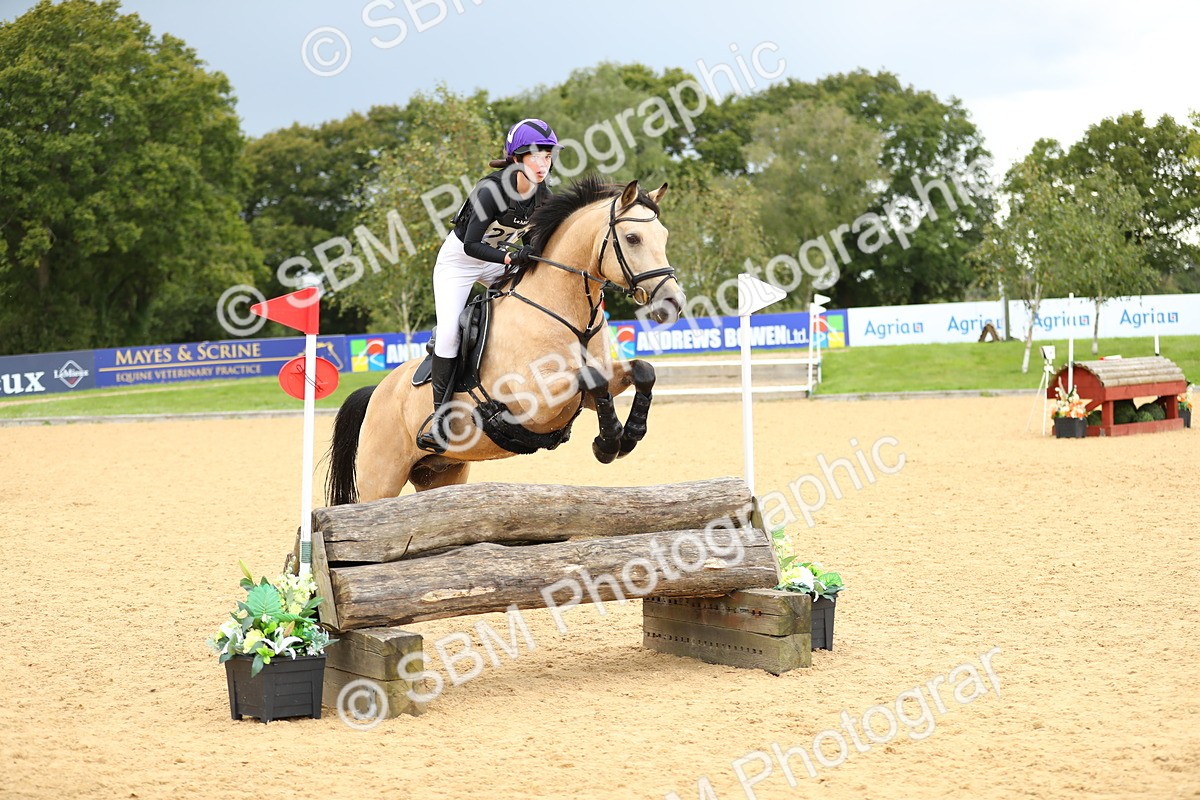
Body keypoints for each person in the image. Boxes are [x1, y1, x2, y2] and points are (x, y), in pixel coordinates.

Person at [417, 118, 559, 453]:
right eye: (535, 156)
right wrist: (511, 259)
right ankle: (440, 419)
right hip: (459, 263)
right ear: (517, 159)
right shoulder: (491, 190)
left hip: (495, 261)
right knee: (450, 332)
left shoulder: (543, 194)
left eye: (548, 157)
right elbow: (470, 244)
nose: (543, 164)